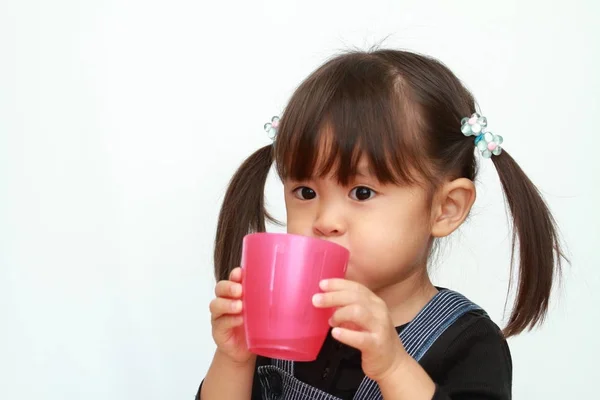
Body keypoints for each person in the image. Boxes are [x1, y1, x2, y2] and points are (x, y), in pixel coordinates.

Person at [197, 49, 565, 400]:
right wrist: (234, 359)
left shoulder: (467, 342)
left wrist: (393, 367)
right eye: (306, 192)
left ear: (445, 208)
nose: (325, 221)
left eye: (361, 193)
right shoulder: (283, 322)